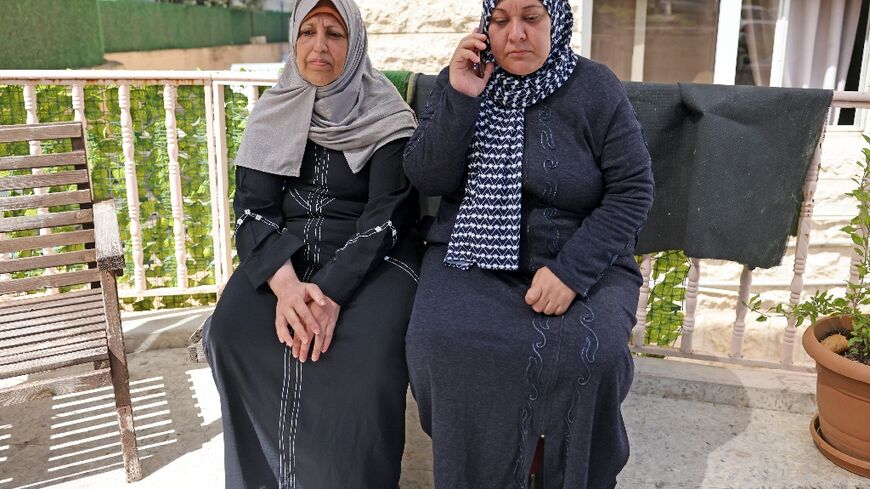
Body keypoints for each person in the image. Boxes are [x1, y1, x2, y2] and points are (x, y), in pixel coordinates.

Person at [403, 0, 654, 487]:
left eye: (531, 18)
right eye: (501, 21)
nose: (515, 33)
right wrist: (460, 97)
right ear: (486, 27)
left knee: (595, 354)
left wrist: (571, 273)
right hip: (472, 255)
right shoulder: (462, 79)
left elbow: (633, 190)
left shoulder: (596, 87)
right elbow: (428, 178)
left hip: (581, 253)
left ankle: (562, 472)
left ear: (556, 21)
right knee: (439, 342)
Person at [203, 0, 420, 487]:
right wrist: (285, 286)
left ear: (356, 42)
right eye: (308, 32)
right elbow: (254, 208)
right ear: (295, 40)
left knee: (365, 353)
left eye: (335, 33)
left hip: (372, 256)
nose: (319, 45)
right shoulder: (272, 110)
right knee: (231, 333)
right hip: (285, 254)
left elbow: (389, 214)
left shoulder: (386, 114)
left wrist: (330, 295)